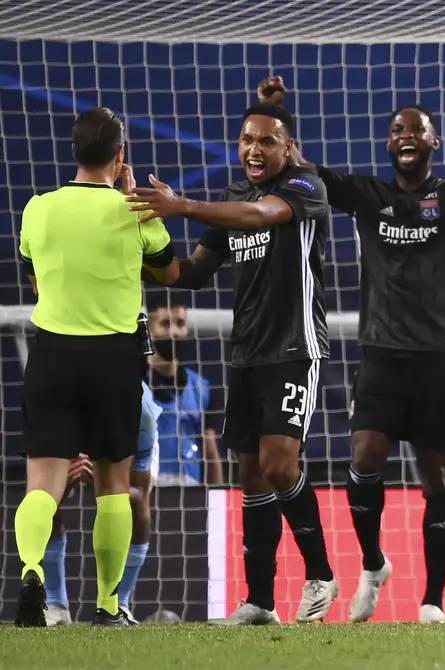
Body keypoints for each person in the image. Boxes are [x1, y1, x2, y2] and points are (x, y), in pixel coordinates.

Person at [256, 77, 445, 623]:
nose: (406, 136)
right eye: (397, 130)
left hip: (440, 358)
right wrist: (274, 113)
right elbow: (300, 168)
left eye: (416, 129)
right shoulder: (370, 196)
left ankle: (433, 600)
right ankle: (373, 561)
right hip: (382, 356)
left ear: (434, 143)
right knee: (364, 458)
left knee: (436, 478)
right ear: (388, 144)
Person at [127, 103, 338, 625]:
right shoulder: (231, 197)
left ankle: (322, 574)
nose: (253, 149)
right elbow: (191, 273)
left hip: (295, 347)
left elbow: (263, 215)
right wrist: (133, 257)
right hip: (246, 352)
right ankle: (259, 602)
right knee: (251, 475)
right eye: (247, 139)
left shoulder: (306, 188)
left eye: (267, 141)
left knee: (278, 463)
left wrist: (182, 206)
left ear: (287, 148)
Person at [14, 106, 181, 627]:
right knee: (113, 485)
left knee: (42, 483)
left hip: (52, 354)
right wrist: (135, 205)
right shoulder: (133, 211)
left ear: (74, 152)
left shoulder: (37, 209)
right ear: (120, 155)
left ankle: (30, 572)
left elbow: (35, 278)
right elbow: (171, 271)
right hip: (112, 358)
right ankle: (109, 605)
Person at [43, 381, 164, 626]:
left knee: (137, 506)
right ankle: (55, 604)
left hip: (122, 444)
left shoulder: (142, 416)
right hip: (67, 437)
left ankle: (120, 604)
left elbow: (140, 491)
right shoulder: (58, 408)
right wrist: (62, 481)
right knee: (45, 499)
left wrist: (102, 480)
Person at [145, 289, 226, 486]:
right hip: (144, 490)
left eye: (179, 323)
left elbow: (211, 452)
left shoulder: (201, 389)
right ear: (149, 329)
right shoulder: (133, 384)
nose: (173, 332)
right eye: (165, 324)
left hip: (189, 497)